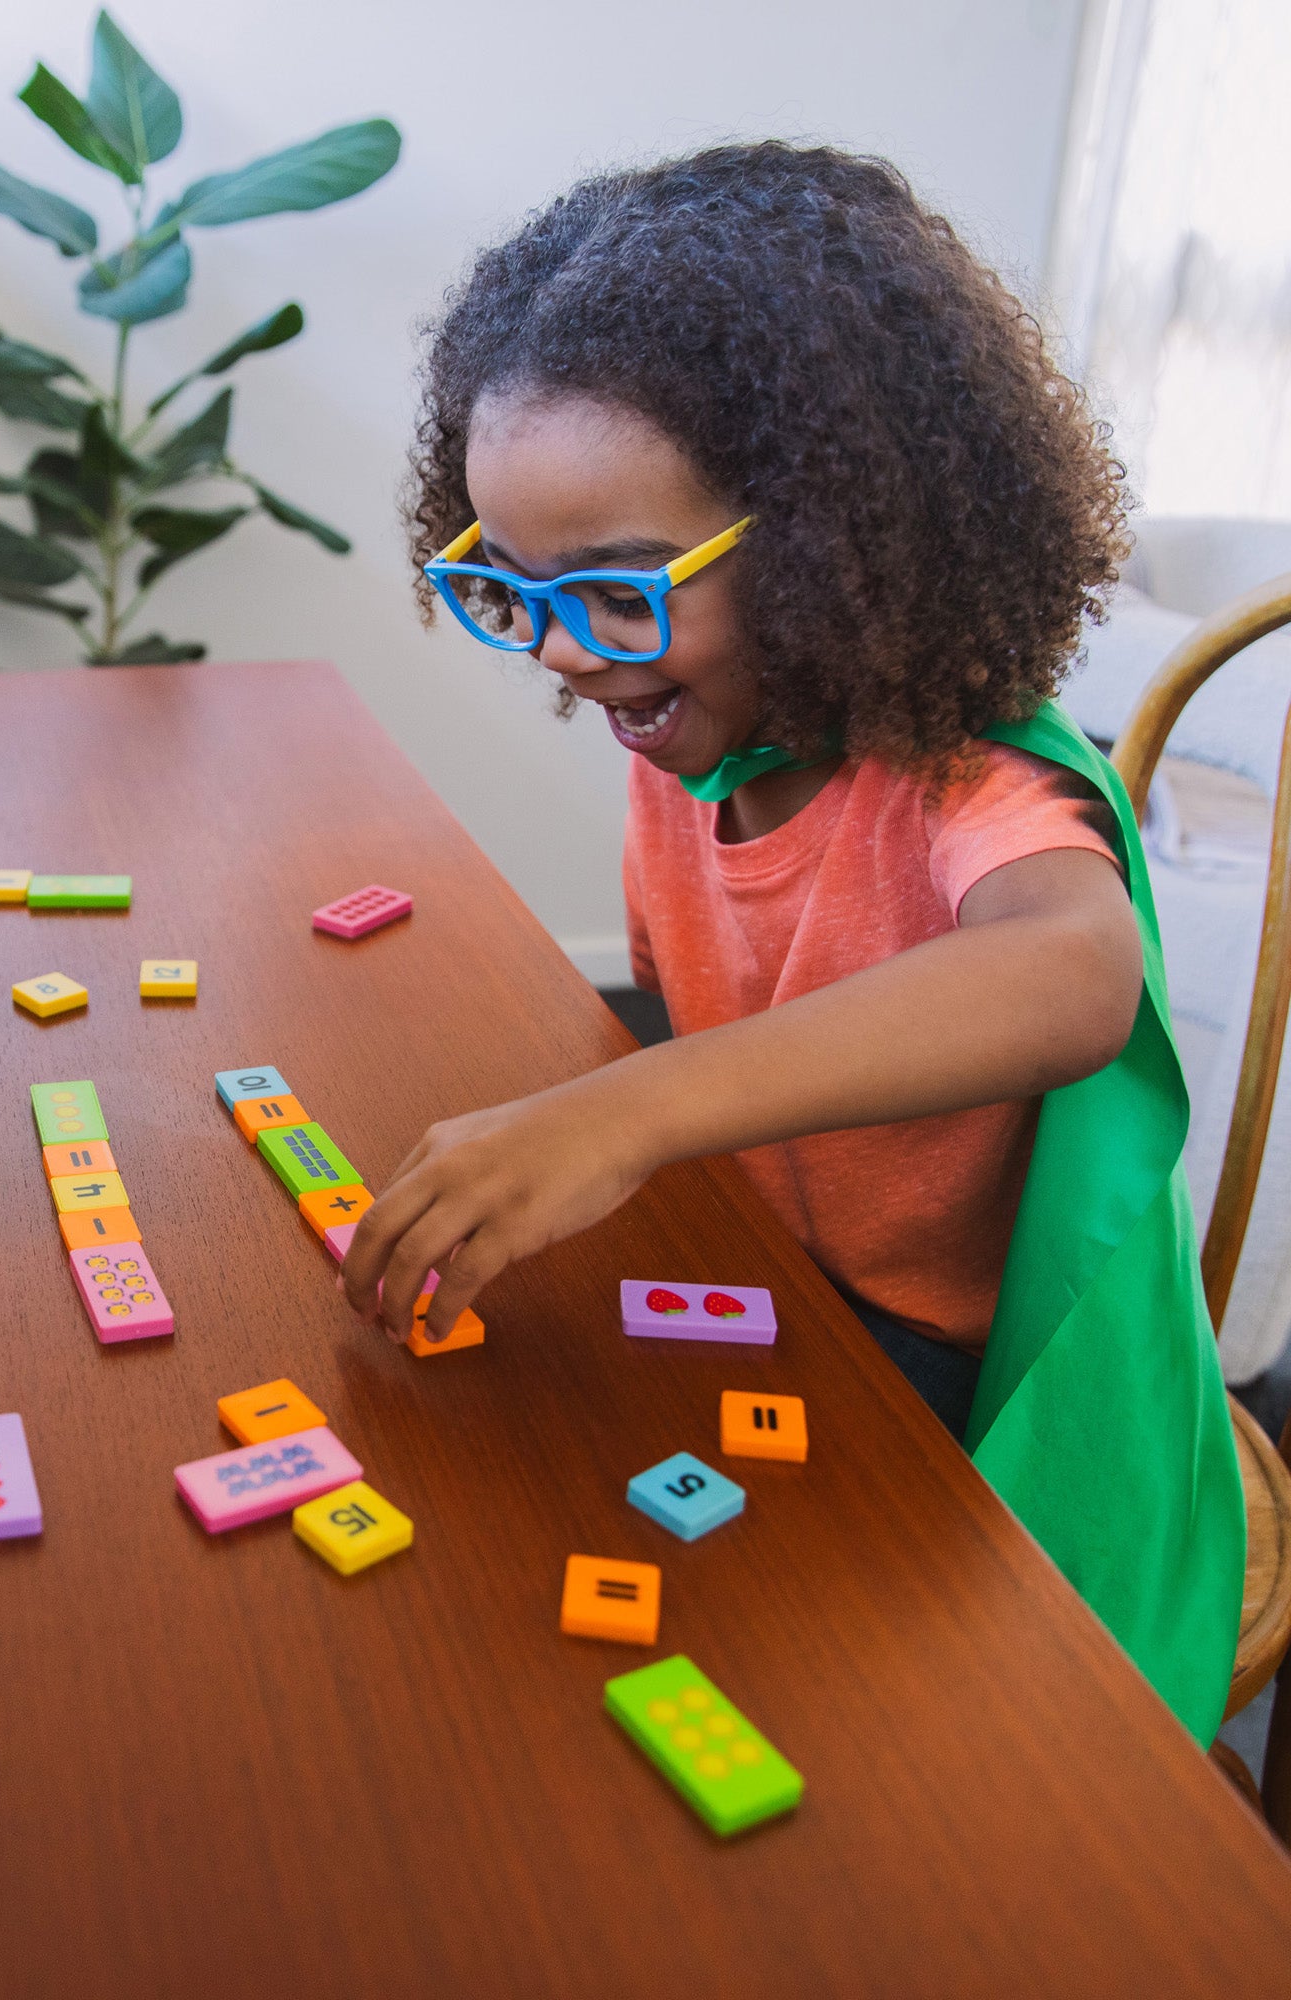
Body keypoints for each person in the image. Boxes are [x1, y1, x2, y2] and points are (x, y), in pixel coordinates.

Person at [341, 144, 1243, 1745]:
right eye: (510, 587)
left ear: (830, 537)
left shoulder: (973, 776)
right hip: (778, 1286)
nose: (560, 652)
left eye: (615, 591)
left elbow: (1072, 973)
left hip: (957, 1387)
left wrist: (625, 1112)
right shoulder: (698, 726)